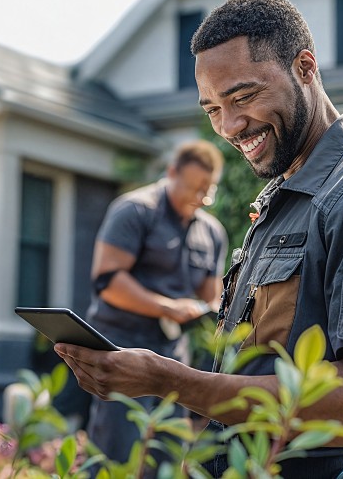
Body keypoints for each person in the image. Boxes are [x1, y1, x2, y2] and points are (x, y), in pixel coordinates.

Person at [55, 0, 343, 479]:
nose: (229, 126)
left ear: (305, 68)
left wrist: (170, 380)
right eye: (212, 110)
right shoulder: (282, 200)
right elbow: (250, 373)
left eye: (243, 97)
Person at [84, 139, 228, 471]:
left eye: (207, 191)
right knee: (117, 451)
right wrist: (167, 307)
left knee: (168, 452)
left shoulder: (212, 232)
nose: (199, 199)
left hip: (173, 353)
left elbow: (212, 295)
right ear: (171, 173)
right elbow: (107, 282)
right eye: (192, 188)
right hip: (121, 345)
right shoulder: (133, 210)